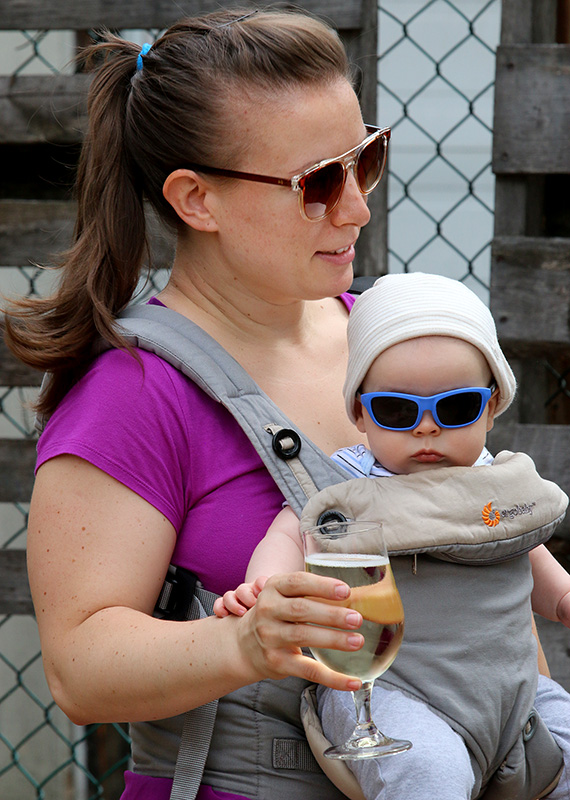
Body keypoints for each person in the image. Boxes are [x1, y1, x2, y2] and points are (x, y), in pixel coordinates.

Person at [1, 8, 393, 800]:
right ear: (196, 199)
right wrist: (245, 644)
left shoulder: (390, 343)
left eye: (367, 158)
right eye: (319, 182)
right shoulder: (134, 393)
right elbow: (79, 668)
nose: (356, 207)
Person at [215, 273, 570, 800]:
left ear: (492, 407)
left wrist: (563, 599)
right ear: (360, 412)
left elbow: (535, 563)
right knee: (427, 772)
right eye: (397, 411)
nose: (427, 428)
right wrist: (264, 586)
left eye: (455, 408)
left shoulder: (495, 484)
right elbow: (291, 531)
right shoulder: (348, 483)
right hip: (385, 690)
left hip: (511, 692)